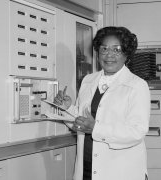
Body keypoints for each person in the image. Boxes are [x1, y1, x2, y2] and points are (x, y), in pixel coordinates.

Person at [54, 26, 150, 180]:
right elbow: (80, 123)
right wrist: (67, 109)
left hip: (120, 171)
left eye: (116, 49)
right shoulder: (88, 80)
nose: (109, 55)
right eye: (104, 49)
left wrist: (96, 128)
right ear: (98, 53)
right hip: (87, 168)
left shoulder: (137, 85)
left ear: (126, 54)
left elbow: (137, 132)